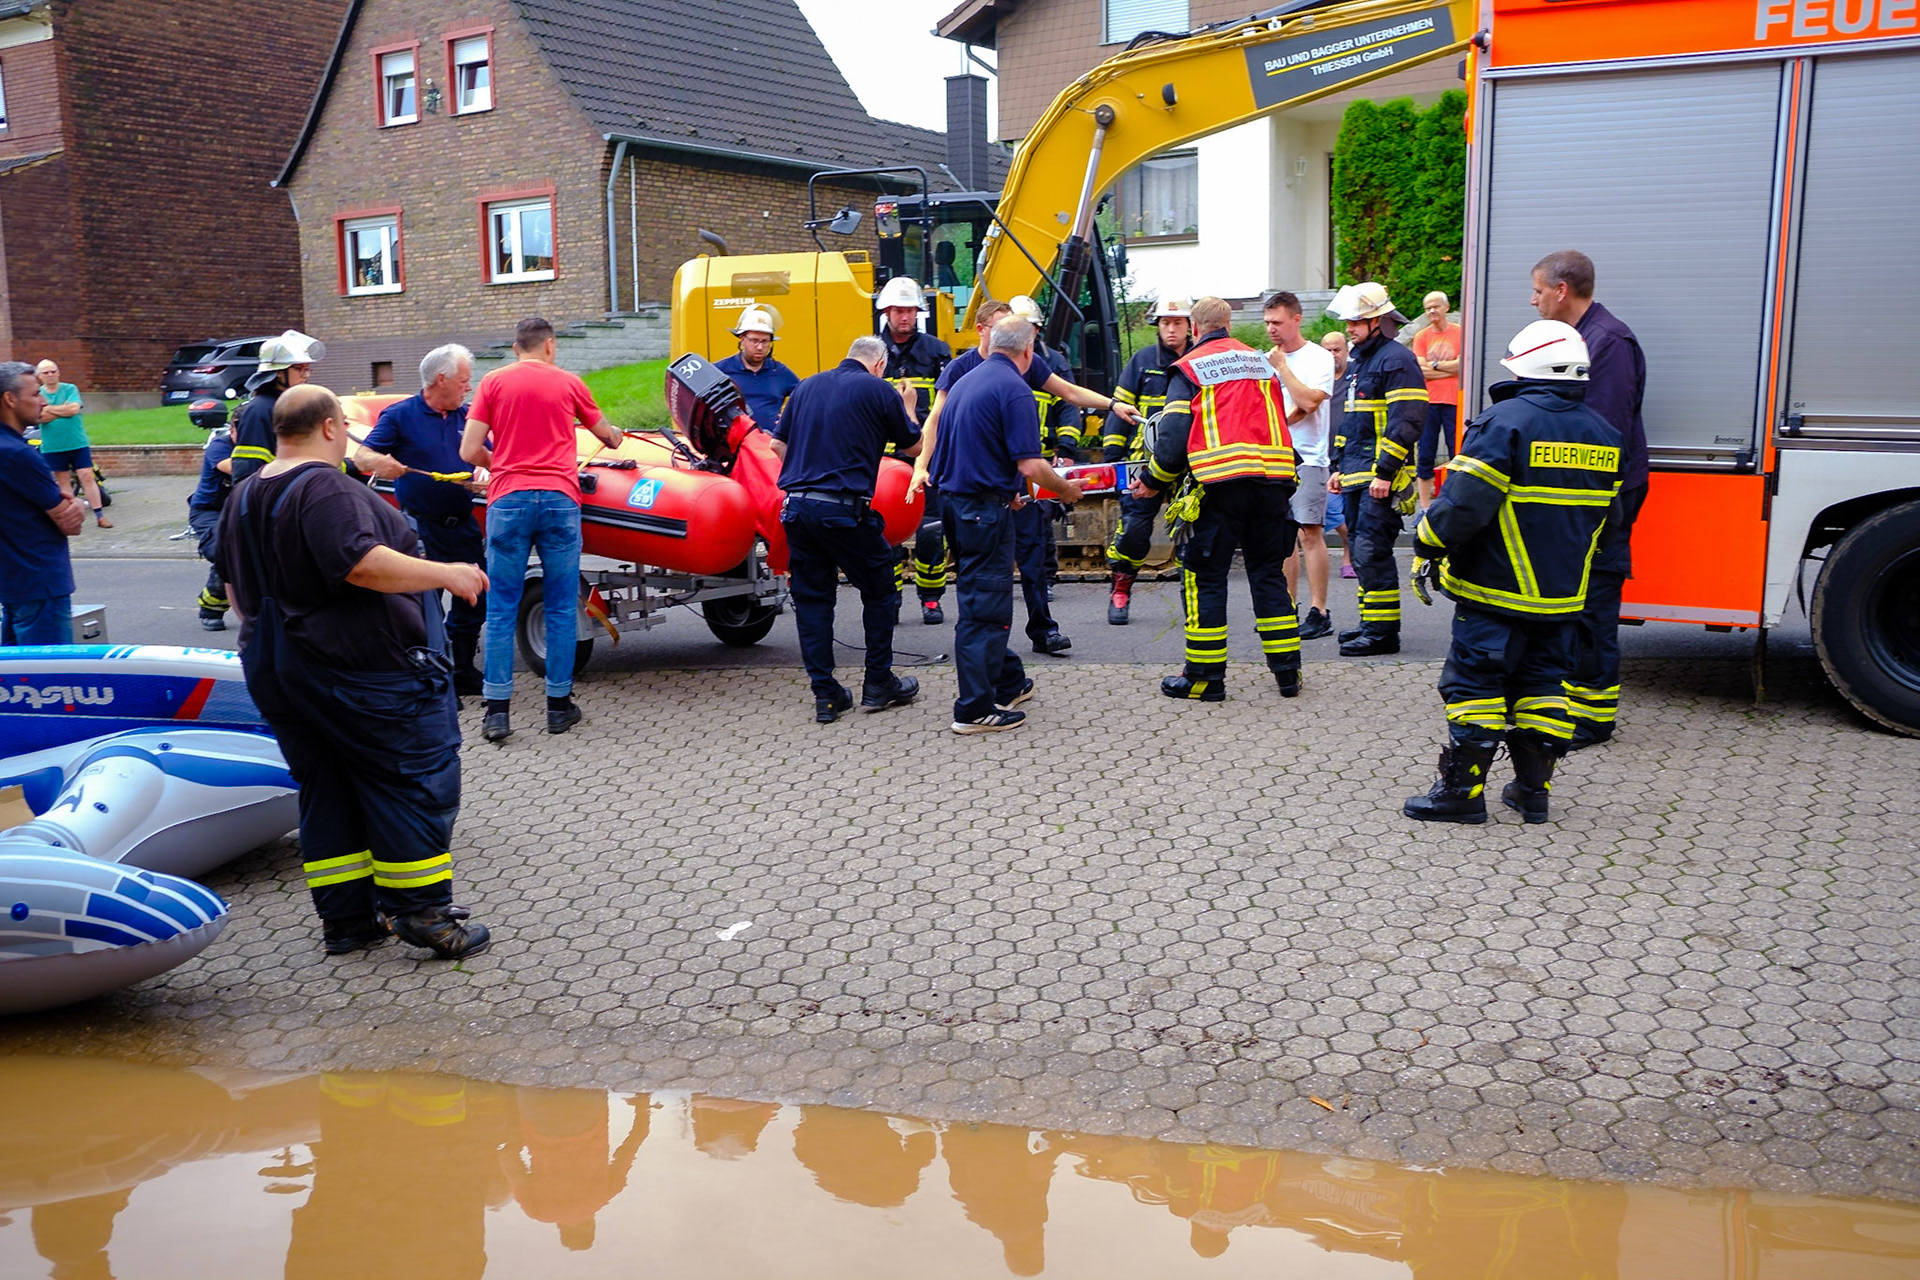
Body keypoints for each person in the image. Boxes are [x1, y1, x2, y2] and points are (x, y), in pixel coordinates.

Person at [215, 383, 492, 958]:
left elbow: (238, 592)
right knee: (408, 778)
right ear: (329, 427)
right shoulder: (322, 486)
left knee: (328, 785)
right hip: (352, 665)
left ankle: (347, 921)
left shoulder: (242, 496)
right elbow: (361, 565)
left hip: (275, 665)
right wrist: (447, 573)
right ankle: (423, 915)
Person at [1403, 320, 1622, 824]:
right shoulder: (1605, 435)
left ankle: (1460, 795)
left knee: (1475, 685)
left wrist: (1427, 542)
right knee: (1544, 687)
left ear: (1526, 367)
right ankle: (1532, 793)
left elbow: (1463, 505)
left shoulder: (1503, 423)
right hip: (1563, 598)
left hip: (1493, 589)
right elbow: (1613, 524)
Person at [912, 296, 1138, 647]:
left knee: (1032, 555)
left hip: (1018, 481)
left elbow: (1068, 392)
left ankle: (1041, 630)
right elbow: (935, 421)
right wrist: (921, 466)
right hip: (982, 489)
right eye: (1001, 326)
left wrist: (1111, 404)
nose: (1009, 333)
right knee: (983, 575)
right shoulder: (960, 369)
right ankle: (987, 649)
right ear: (982, 330)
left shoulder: (1022, 364)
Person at [460, 316, 624, 742]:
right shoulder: (569, 383)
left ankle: (497, 713)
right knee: (558, 606)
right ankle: (558, 707)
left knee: (500, 608)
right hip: (558, 500)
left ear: (517, 347)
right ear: (549, 345)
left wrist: (507, 467)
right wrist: (616, 435)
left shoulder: (492, 382)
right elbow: (607, 437)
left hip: (508, 501)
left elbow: (468, 449)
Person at [1130, 296, 1301, 701]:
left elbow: (1171, 441)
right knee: (1268, 574)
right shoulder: (1262, 364)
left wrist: (1153, 480)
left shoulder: (1189, 368)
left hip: (1219, 486)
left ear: (1194, 327)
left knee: (1206, 579)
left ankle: (1205, 680)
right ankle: (1288, 675)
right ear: (1229, 323)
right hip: (1274, 483)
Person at [927, 315, 1084, 733]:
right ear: (1029, 349)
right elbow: (1032, 463)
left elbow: (967, 445)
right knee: (985, 608)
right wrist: (1064, 490)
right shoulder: (1015, 390)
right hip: (982, 511)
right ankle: (975, 710)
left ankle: (1009, 679)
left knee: (980, 598)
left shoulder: (966, 382)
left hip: (957, 504)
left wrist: (1009, 487)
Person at [769, 334, 924, 722]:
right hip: (843, 512)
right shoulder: (879, 390)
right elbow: (914, 447)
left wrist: (810, 469)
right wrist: (908, 407)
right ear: (879, 365)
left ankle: (826, 696)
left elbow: (777, 447)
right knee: (879, 589)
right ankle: (878, 683)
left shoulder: (806, 387)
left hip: (798, 510)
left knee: (813, 600)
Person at [1532, 249, 1648, 749]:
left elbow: (1601, 434)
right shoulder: (1586, 338)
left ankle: (1594, 719)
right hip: (1587, 495)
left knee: (1595, 602)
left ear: (1562, 290)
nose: (1533, 299)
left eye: (1538, 290)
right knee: (1578, 601)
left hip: (1605, 496)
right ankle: (1575, 701)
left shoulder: (1609, 342)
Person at [356, 344, 488, 696]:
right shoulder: (400, 416)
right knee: (424, 602)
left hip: (461, 522)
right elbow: (362, 455)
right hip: (420, 527)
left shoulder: (467, 417)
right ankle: (431, 675)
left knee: (473, 598)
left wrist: (483, 469)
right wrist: (382, 463)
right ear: (440, 380)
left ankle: (461, 670)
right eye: (463, 381)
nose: (468, 387)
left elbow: (488, 453)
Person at [1328, 282, 1427, 656]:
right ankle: (1371, 622)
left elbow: (1407, 421)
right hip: (1357, 475)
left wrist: (1385, 472)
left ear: (1379, 321)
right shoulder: (1363, 361)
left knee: (1373, 552)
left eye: (1357, 321)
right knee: (1361, 550)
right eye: (1350, 321)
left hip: (1379, 479)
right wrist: (1339, 466)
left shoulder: (1397, 359)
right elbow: (1352, 421)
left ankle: (1384, 633)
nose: (1350, 328)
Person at [1103, 297, 1193, 624]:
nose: (1171, 328)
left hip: (1189, 465)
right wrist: (1114, 460)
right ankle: (1121, 589)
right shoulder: (1141, 361)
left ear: (1189, 325)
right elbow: (1119, 410)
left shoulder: (1200, 361)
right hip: (1144, 464)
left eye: (1178, 322)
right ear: (1158, 325)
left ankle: (1194, 601)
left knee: (1191, 533)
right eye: (1166, 322)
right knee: (1134, 532)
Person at [876, 275, 955, 624]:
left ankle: (931, 598)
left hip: (927, 455)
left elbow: (948, 405)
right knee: (884, 530)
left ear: (918, 312)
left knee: (930, 529)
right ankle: (888, 598)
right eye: (897, 310)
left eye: (909, 310)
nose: (904, 317)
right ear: (886, 312)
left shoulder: (937, 351)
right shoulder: (870, 351)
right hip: (883, 459)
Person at [1263, 292, 1336, 639]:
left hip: (1308, 456)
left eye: (1277, 322)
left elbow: (1308, 401)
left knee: (1310, 532)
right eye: (1267, 323)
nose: (1271, 329)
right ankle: (1286, 609)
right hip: (1275, 458)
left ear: (1296, 319)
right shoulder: (1265, 360)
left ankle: (1319, 610)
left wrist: (1282, 368)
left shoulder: (1318, 358)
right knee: (1283, 536)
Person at [0, 362, 83, 644]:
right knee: (51, 680)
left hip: (12, 584)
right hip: (39, 583)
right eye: (36, 394)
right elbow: (69, 522)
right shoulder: (17, 455)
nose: (44, 401)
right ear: (10, 399)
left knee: (16, 683)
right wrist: (80, 506)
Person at [229, 330, 324, 486]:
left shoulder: (290, 406)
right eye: (298, 368)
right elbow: (248, 472)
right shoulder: (260, 410)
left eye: (308, 369)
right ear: (279, 372)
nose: (305, 375)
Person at [34, 360, 109, 528]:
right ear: (39, 376)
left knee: (86, 477)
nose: (50, 375)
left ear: (58, 372)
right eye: (46, 373)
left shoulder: (70, 389)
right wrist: (63, 410)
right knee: (63, 483)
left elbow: (74, 409)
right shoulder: (37, 394)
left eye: (53, 371)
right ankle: (72, 519)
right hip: (53, 446)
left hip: (77, 443)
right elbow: (39, 417)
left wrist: (50, 409)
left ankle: (100, 515)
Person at [1411, 291, 1463, 510]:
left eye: (1436, 306)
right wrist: (1449, 369)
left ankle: (1453, 503)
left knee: (1456, 454)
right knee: (1425, 453)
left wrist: (1432, 367)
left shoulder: (1460, 333)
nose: (1432, 311)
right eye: (1428, 307)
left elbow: (1463, 364)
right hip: (1428, 402)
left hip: (1454, 401)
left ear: (1446, 307)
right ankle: (1424, 508)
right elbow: (1419, 370)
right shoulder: (1421, 336)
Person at [186, 417, 235, 631]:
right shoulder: (220, 445)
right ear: (232, 429)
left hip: (240, 510)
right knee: (225, 551)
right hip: (209, 512)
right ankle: (211, 607)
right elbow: (233, 467)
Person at [716, 306, 799, 430]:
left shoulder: (780, 372)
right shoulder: (720, 371)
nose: (760, 347)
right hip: (733, 445)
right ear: (742, 340)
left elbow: (805, 395)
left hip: (769, 445)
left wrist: (790, 417)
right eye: (754, 340)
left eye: (765, 341)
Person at [1321, 330, 1357, 582]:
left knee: (1350, 510)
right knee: (1333, 511)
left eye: (1337, 349)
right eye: (1328, 350)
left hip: (1351, 453)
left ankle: (1349, 555)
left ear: (1346, 350)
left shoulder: (1356, 376)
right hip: (1322, 455)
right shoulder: (1317, 377)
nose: (1332, 355)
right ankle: (1350, 546)